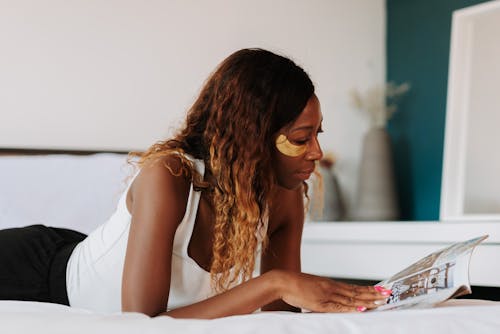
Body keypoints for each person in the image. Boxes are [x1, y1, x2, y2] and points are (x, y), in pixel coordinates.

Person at [0, 48, 390, 318]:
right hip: (34, 271)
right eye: (301, 138)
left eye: (317, 134)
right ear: (252, 138)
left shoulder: (285, 198)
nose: (318, 152)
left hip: (74, 253)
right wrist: (274, 283)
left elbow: (277, 316)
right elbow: (142, 321)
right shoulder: (168, 178)